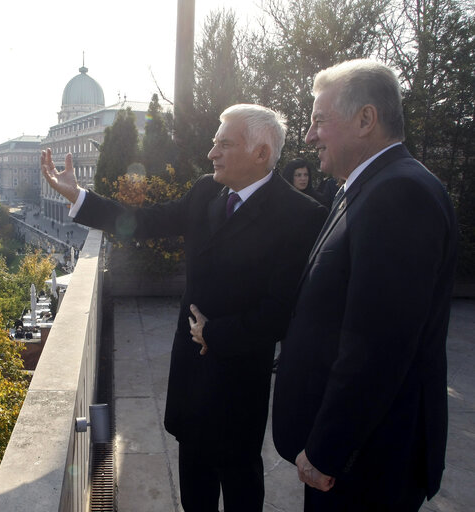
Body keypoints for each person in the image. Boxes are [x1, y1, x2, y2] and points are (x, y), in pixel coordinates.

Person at [41, 104, 327, 511]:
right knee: (194, 481)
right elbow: (142, 220)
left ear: (261, 153)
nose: (212, 154)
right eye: (214, 143)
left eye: (224, 144)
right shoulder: (206, 191)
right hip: (192, 376)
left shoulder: (301, 216)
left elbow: (281, 313)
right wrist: (80, 197)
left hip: (238, 382)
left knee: (241, 480)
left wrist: (214, 333)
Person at [272, 59, 457, 511]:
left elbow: (377, 346)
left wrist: (327, 451)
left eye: (319, 121)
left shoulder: (399, 193)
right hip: (351, 461)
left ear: (366, 119)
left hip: (363, 467)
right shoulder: (365, 186)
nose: (310, 136)